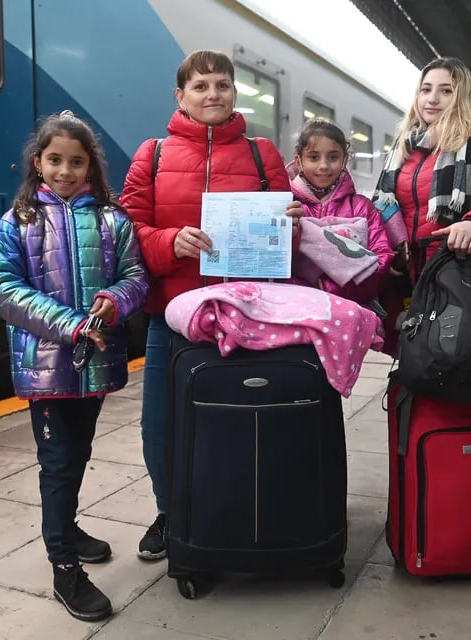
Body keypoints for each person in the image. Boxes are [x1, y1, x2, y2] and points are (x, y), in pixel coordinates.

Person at [119, 50, 302, 562]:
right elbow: (127, 231)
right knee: (161, 423)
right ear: (181, 96)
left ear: (234, 93)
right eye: (200, 86)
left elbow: (287, 236)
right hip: (173, 314)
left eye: (222, 84)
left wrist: (291, 222)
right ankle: (169, 514)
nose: (212, 94)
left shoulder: (263, 154)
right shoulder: (151, 155)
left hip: (243, 313)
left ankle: (236, 510)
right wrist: (168, 242)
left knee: (242, 417)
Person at [0, 111, 149, 621]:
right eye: (55, 160)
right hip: (48, 369)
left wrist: (115, 300)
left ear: (90, 168)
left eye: (76, 162)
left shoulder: (112, 220)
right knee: (57, 463)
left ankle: (68, 527)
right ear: (38, 163)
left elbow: (136, 275)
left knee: (77, 453)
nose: (65, 170)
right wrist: (72, 323)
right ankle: (63, 566)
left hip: (93, 368)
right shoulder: (16, 222)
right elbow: (2, 287)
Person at [372, 56, 471, 301]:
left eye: (446, 91)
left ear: (463, 96)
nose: (432, 99)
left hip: (458, 274)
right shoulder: (405, 145)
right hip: (405, 276)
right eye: (426, 89)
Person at [287, 118, 394, 303]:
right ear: (299, 161)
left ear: (344, 159)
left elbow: (381, 259)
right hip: (296, 305)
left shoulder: (362, 207)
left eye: (333, 157)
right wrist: (306, 293)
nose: (324, 166)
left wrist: (329, 290)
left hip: (348, 305)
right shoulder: (289, 206)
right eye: (313, 157)